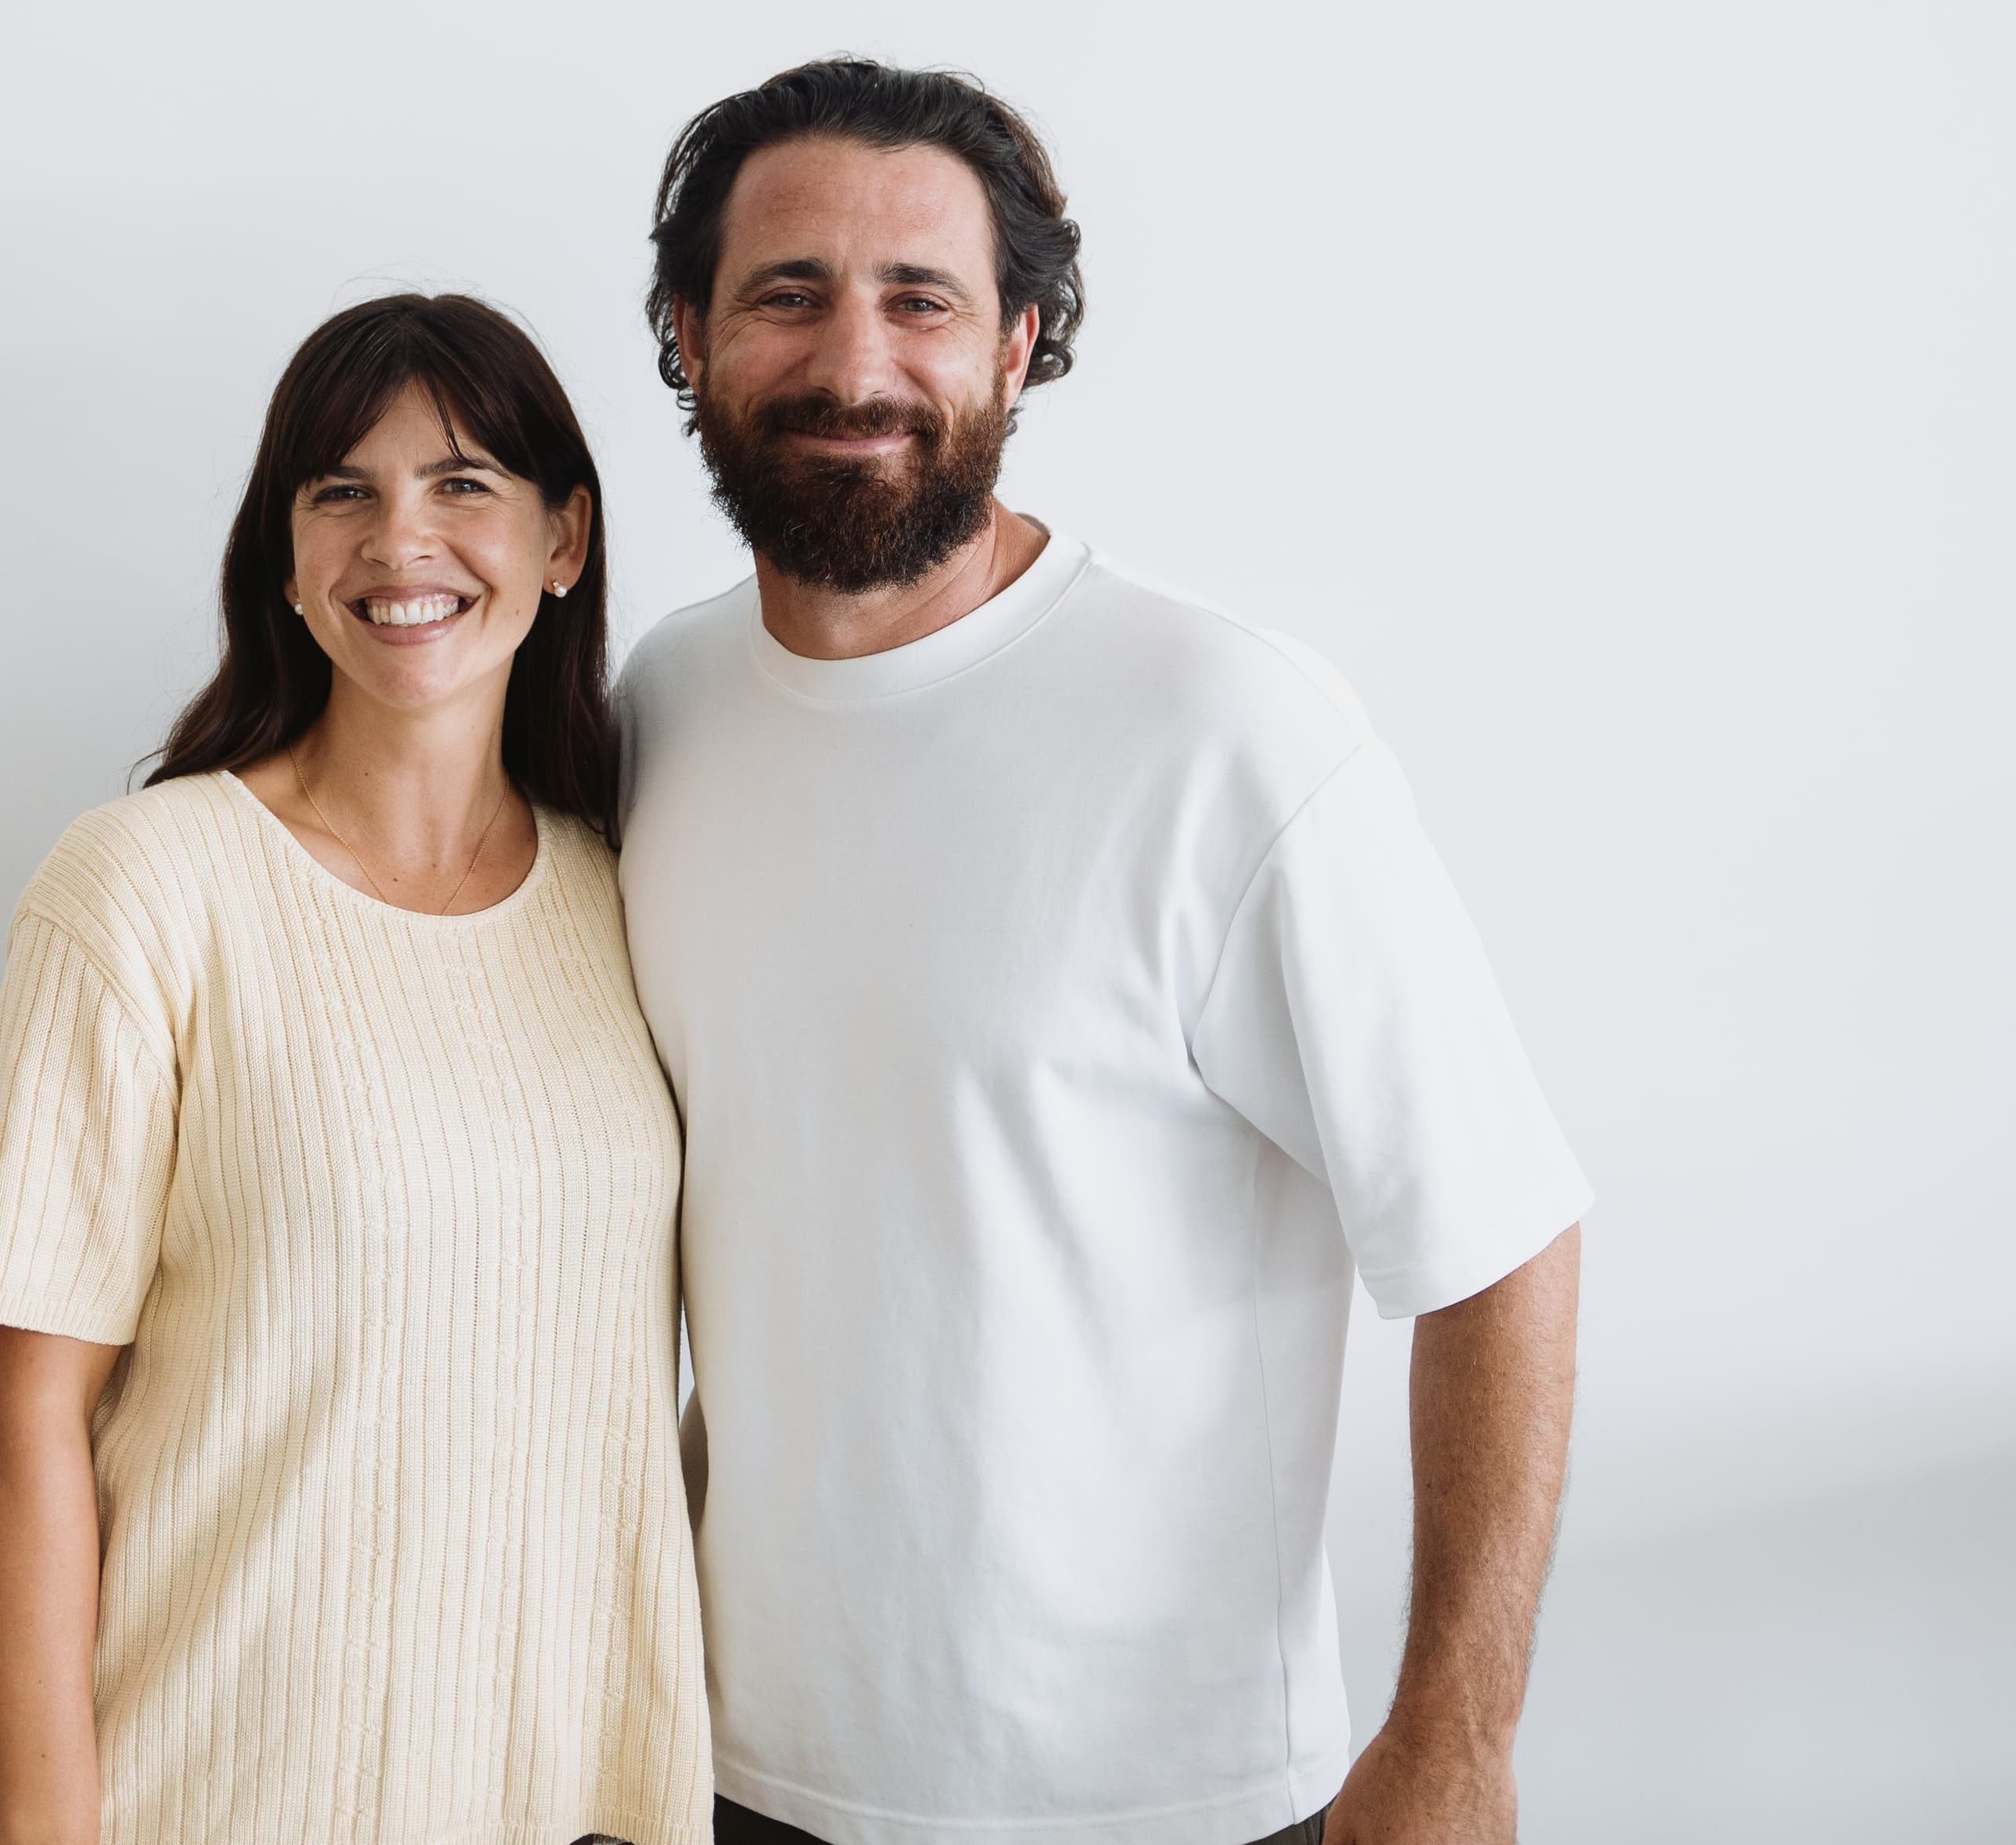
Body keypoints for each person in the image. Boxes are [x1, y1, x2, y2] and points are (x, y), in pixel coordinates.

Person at [615, 61, 1591, 1845]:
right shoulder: (658, 712)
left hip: (1163, 1804)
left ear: (1018, 345)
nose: (854, 366)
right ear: (689, 335)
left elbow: (1499, 1240)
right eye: (786, 294)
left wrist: (1456, 1739)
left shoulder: (1227, 733)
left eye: (924, 299)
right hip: (723, 1771)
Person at [0, 293, 710, 1845]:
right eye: (340, 492)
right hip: (202, 1800)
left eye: (463, 484)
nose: (399, 539)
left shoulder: (635, 888)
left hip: (566, 1804)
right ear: (285, 562)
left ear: (565, 539)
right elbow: (21, 1417)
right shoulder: (142, 888)